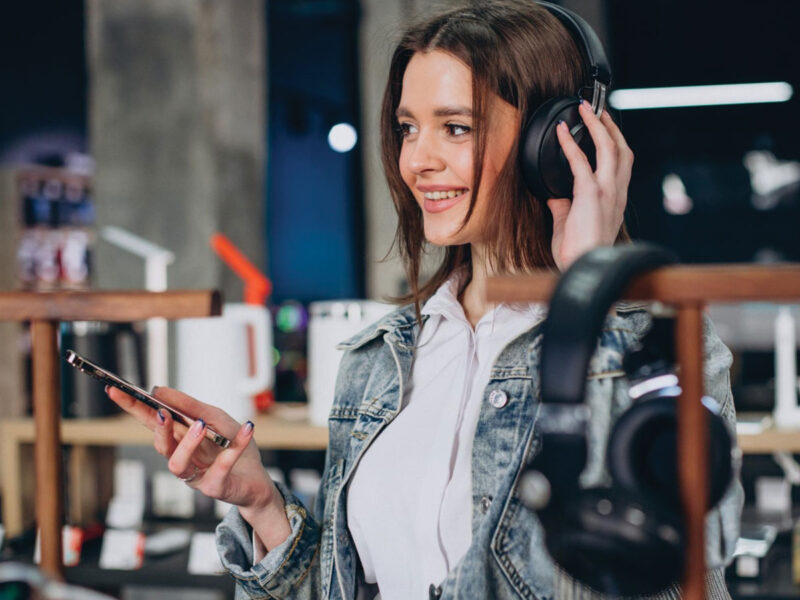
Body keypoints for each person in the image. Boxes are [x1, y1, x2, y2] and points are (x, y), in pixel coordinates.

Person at [108, 1, 743, 598]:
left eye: (456, 128)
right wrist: (261, 506)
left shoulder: (658, 342)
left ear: (556, 143)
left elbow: (682, 565)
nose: (418, 160)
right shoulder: (378, 355)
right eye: (409, 128)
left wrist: (589, 291)